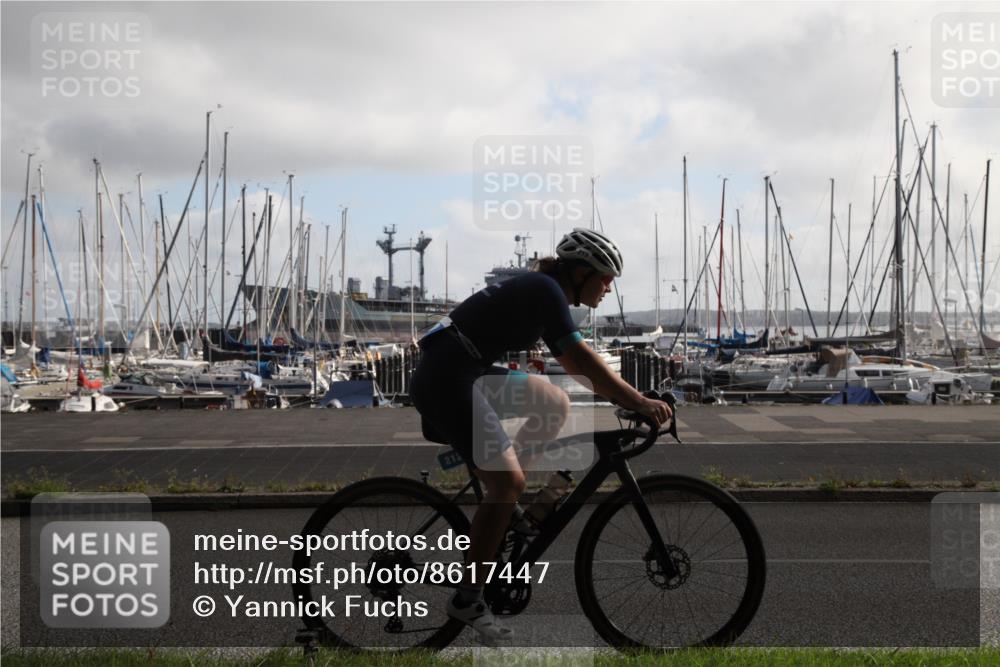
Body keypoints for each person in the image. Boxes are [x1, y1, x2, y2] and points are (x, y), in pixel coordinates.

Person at [409, 228, 673, 641]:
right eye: (605, 279)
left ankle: (508, 509)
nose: (608, 288)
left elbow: (575, 368)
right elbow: (579, 359)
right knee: (507, 481)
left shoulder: (546, 291)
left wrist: (622, 399)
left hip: (466, 371)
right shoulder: (546, 290)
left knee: (554, 403)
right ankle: (468, 598)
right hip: (446, 379)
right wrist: (637, 401)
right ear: (582, 273)